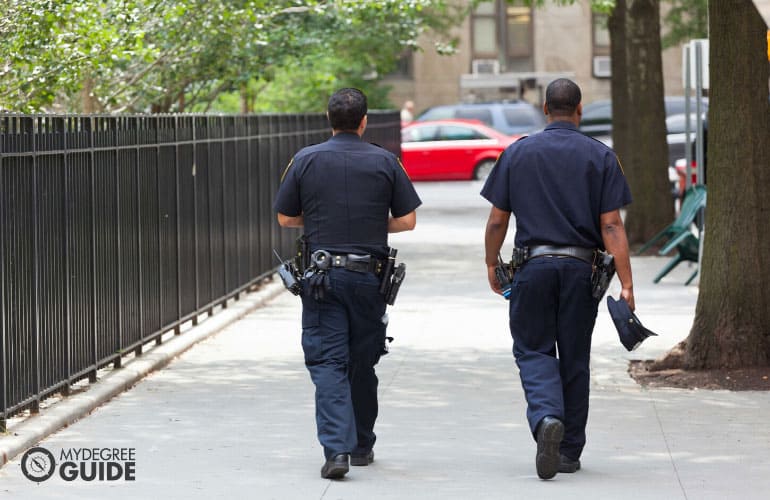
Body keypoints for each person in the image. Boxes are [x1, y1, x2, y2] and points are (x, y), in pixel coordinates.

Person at [480, 78, 634, 480]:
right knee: (575, 357)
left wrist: (491, 262)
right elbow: (612, 224)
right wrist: (627, 283)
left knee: (533, 349)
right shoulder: (601, 156)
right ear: (579, 110)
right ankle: (567, 452)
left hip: (532, 268)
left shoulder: (516, 153)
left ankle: (547, 416)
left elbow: (498, 219)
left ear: (545, 109)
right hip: (582, 271)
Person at [274, 88, 422, 480]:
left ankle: (336, 450)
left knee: (328, 362)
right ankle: (360, 445)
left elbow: (286, 219)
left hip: (322, 277)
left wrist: (325, 221)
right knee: (363, 360)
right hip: (368, 277)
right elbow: (407, 221)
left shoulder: (305, 160)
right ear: (364, 121)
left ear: (329, 119)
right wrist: (372, 224)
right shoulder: (385, 161)